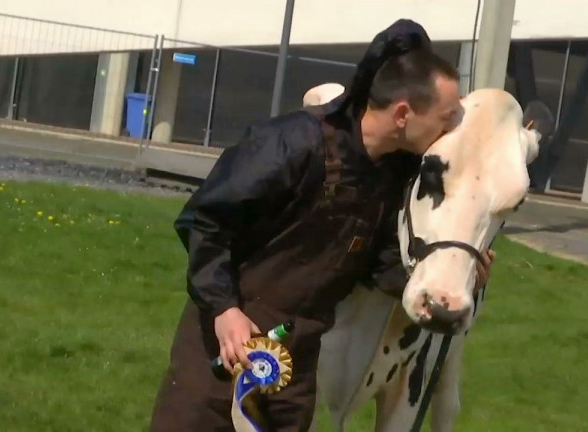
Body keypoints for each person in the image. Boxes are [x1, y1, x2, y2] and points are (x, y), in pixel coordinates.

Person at [148, 19, 495, 432]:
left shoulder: (390, 177)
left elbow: (379, 269)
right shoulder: (290, 143)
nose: (453, 125)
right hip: (222, 350)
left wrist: (451, 278)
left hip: (297, 367)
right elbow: (204, 221)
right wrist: (225, 310)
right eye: (446, 116)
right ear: (403, 114)